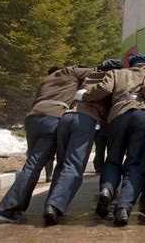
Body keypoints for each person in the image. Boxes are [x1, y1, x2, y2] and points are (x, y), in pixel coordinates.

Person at [0, 65, 93, 222]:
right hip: (52, 118)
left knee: (32, 163)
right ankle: (7, 209)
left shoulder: (46, 80)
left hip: (32, 119)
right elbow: (95, 71)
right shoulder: (71, 71)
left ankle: (17, 207)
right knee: (34, 166)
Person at [76, 54, 145, 226]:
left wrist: (84, 96)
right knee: (135, 163)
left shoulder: (118, 73)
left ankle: (107, 189)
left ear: (132, 64)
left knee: (113, 160)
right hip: (142, 114)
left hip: (118, 114)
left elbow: (102, 89)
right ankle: (123, 208)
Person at [43, 59, 123, 225]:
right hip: (85, 120)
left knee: (62, 164)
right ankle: (54, 205)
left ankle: (52, 204)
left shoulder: (88, 77)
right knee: (74, 166)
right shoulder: (111, 79)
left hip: (66, 117)